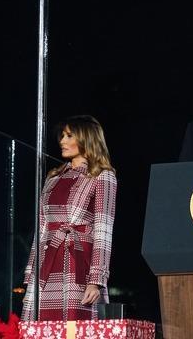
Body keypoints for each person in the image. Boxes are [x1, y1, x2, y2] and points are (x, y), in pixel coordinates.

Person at [22, 115, 117, 321]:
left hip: (78, 261)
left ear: (87, 139)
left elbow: (104, 230)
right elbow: (41, 227)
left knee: (75, 326)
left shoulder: (103, 175)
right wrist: (31, 274)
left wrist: (96, 280)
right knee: (40, 325)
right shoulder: (53, 178)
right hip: (47, 263)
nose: (62, 141)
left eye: (69, 135)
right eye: (62, 136)